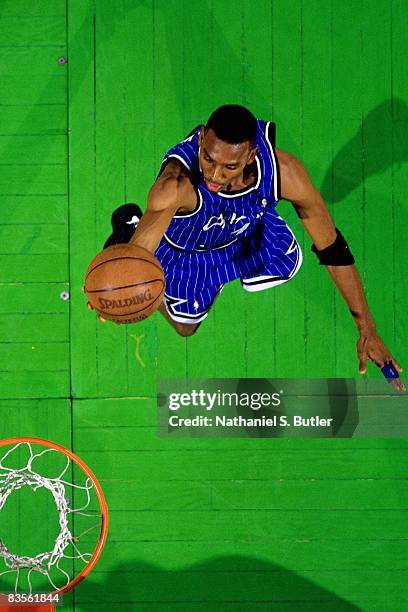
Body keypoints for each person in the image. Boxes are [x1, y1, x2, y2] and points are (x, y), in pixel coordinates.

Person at [98, 104, 404, 390]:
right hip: (185, 250)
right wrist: (118, 286)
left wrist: (368, 329)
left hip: (242, 235)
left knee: (284, 257)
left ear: (251, 154)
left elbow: (333, 248)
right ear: (202, 137)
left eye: (229, 166)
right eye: (207, 158)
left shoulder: (284, 172)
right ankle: (128, 227)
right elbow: (139, 258)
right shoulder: (175, 185)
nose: (214, 175)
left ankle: (243, 223)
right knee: (185, 328)